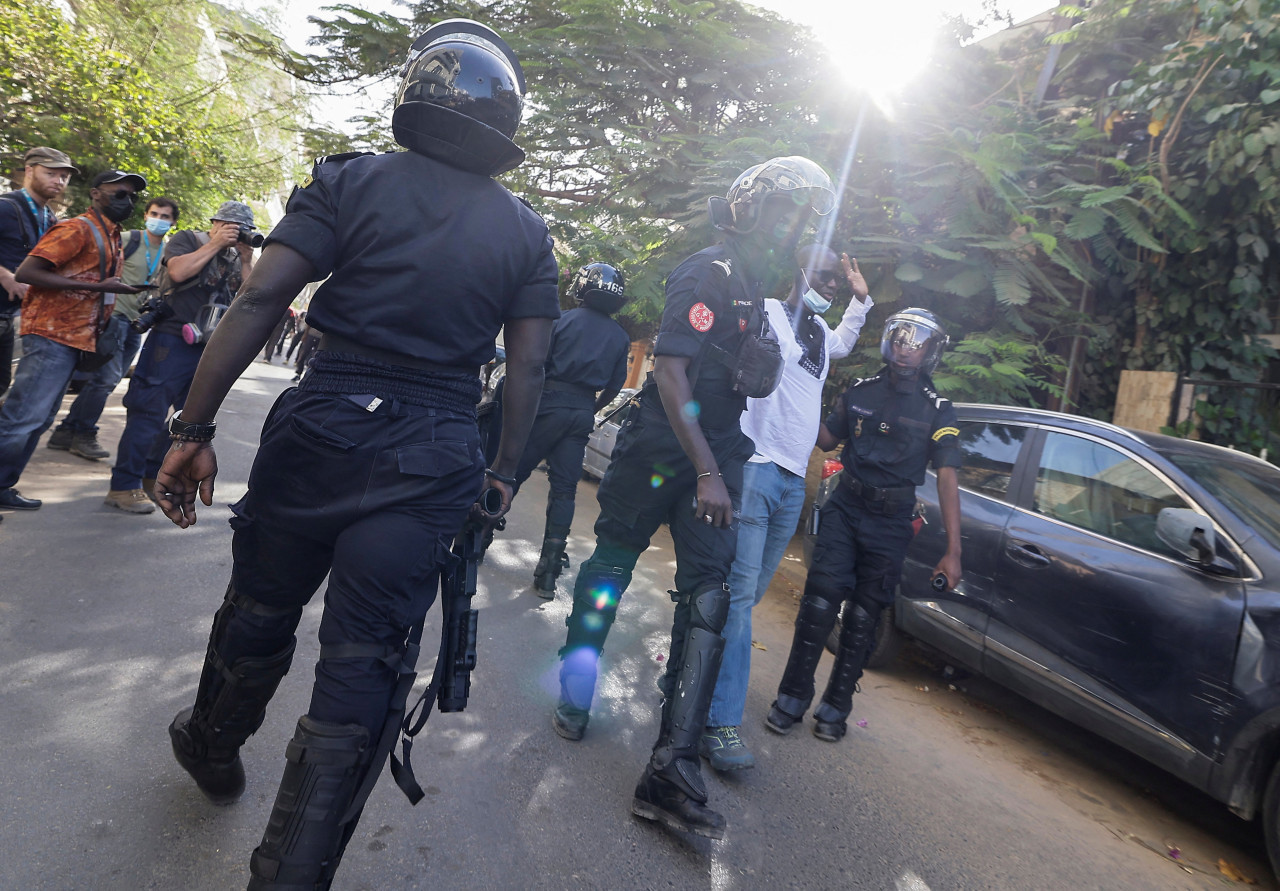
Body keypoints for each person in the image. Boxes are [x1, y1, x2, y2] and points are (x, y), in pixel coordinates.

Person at [157, 20, 557, 889]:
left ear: (414, 95)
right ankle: (292, 872)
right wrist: (503, 470)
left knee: (261, 603)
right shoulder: (528, 233)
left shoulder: (350, 180)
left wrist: (190, 432)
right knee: (367, 662)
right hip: (438, 446)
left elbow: (264, 295)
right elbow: (527, 367)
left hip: (326, 420)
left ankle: (212, 744)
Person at [553, 156, 836, 839]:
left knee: (710, 596)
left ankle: (672, 765)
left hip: (720, 447)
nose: (793, 226)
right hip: (662, 449)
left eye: (803, 217)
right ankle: (575, 679)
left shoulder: (762, 288)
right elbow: (673, 372)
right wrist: (708, 472)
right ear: (747, 209)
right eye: (785, 211)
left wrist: (719, 460)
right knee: (612, 565)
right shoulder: (708, 270)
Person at [700, 244, 872, 771]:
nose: (832, 287)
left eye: (837, 283)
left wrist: (861, 301)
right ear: (799, 273)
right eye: (824, 278)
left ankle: (689, 672)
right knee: (742, 590)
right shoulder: (768, 312)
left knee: (743, 601)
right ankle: (720, 722)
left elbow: (843, 341)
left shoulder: (820, 333)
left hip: (794, 481)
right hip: (755, 465)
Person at [766, 308, 963, 742]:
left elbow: (948, 476)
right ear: (887, 341)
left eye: (916, 341)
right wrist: (789, 387)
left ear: (931, 350)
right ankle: (791, 698)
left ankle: (836, 708)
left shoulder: (938, 411)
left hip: (892, 522)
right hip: (845, 508)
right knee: (819, 603)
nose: (905, 348)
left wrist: (953, 550)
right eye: (899, 337)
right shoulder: (859, 391)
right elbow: (826, 438)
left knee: (863, 615)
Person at [0, 169, 147, 511]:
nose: (128, 201)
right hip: (51, 334)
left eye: (132, 196)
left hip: (75, 339)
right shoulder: (77, 228)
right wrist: (99, 288)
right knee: (22, 418)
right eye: (119, 193)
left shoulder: (112, 235)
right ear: (96, 194)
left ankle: (4, 486)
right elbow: (27, 273)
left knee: (39, 420)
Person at [104, 200, 256, 514]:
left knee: (183, 422)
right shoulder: (189, 239)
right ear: (215, 223)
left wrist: (246, 258)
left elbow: (251, 297)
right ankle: (123, 485)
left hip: (208, 348)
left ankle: (149, 477)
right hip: (171, 341)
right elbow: (178, 270)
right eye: (232, 227)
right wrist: (215, 244)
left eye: (243, 230)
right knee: (148, 413)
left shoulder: (235, 256)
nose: (237, 234)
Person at [514, 262, 630, 599]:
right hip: (581, 412)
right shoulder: (620, 337)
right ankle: (548, 573)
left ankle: (479, 537)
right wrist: (589, 409)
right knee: (564, 490)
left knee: (514, 471)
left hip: (548, 403)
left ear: (582, 288)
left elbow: (537, 364)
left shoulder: (561, 321)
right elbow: (614, 386)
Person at [46, 197, 179, 460]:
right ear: (145, 215)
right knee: (105, 379)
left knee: (108, 380)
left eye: (165, 217)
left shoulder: (167, 251)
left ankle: (66, 431)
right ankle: (83, 432)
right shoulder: (129, 239)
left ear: (173, 222)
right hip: (113, 317)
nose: (159, 220)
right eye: (155, 214)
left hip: (136, 323)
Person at [0, 147, 78, 396]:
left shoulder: (51, 218)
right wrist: (4, 275)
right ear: (30, 170)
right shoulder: (5, 207)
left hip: (9, 319)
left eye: (64, 176)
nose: (58, 181)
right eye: (51, 173)